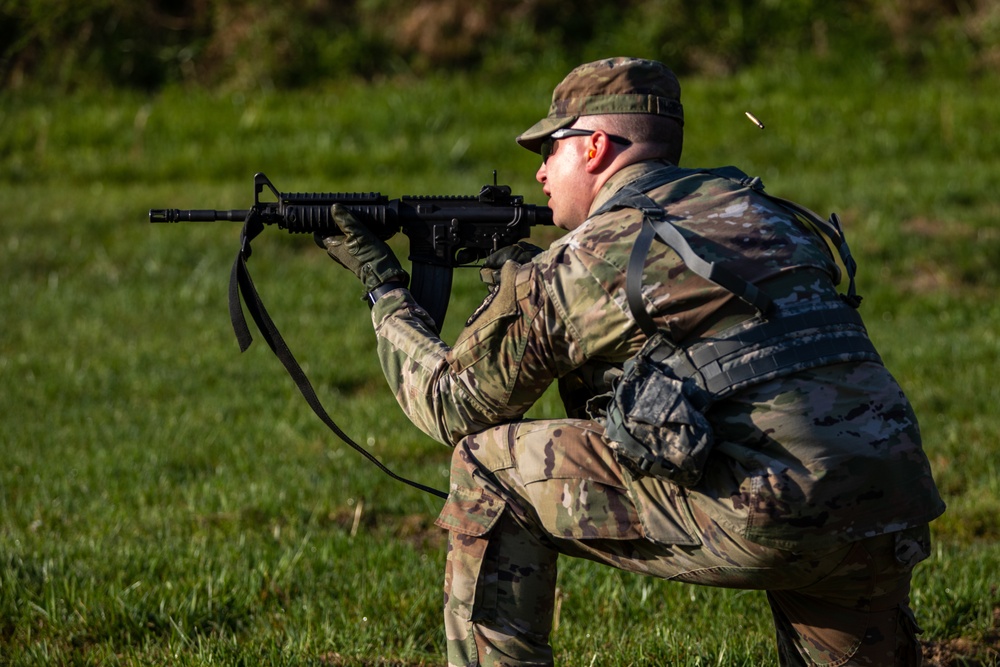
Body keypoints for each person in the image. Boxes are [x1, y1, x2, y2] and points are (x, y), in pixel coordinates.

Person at [316, 57, 945, 666]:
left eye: (548, 151)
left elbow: (454, 403)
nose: (539, 174)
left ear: (594, 148)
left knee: (487, 467)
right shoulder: (768, 214)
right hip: (887, 495)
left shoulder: (590, 255)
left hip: (766, 506)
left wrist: (385, 293)